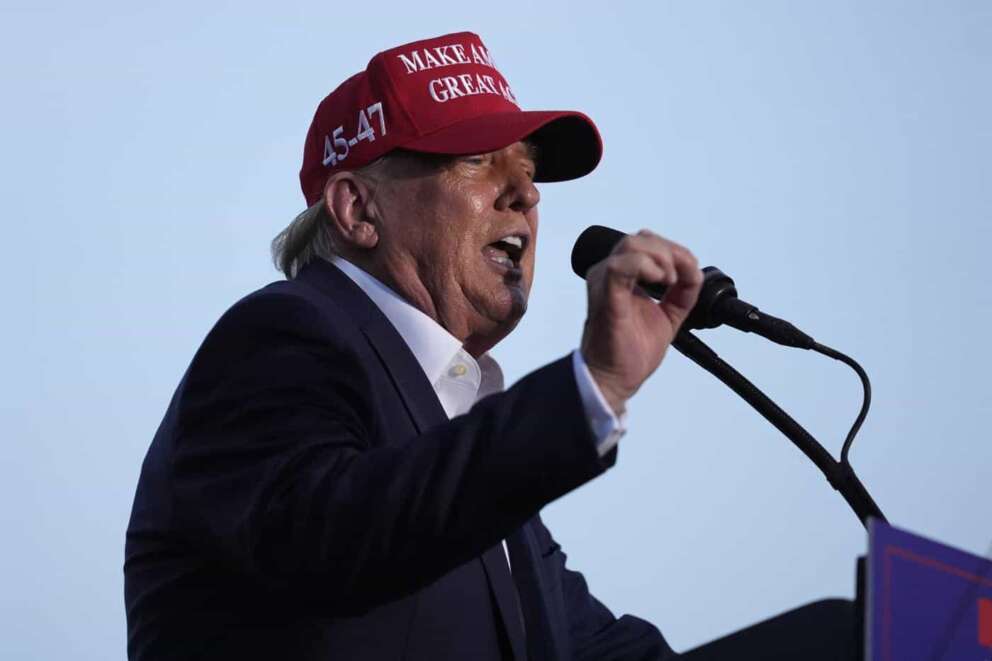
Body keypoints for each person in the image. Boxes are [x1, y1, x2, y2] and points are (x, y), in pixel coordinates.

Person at [125, 31, 856, 661]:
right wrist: (590, 385)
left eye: (528, 170)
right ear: (357, 207)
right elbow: (334, 534)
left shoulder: (464, 447)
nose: (526, 195)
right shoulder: (283, 337)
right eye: (477, 161)